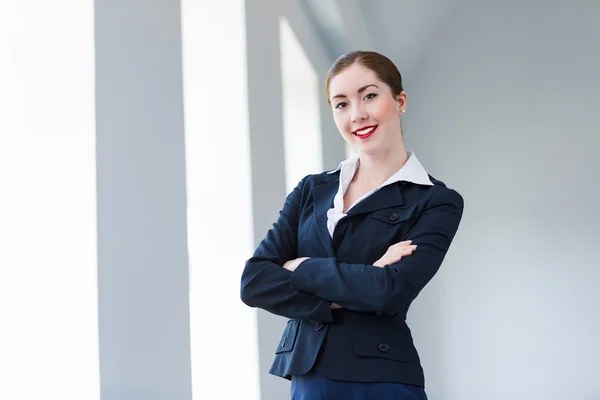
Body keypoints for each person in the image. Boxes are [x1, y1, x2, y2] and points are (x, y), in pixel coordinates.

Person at [240, 50, 464, 400]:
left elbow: (389, 291)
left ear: (400, 100)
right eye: (341, 104)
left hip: (382, 378)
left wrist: (302, 267)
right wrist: (360, 279)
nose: (357, 115)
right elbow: (254, 281)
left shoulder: (436, 201)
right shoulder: (312, 190)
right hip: (309, 376)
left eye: (369, 96)